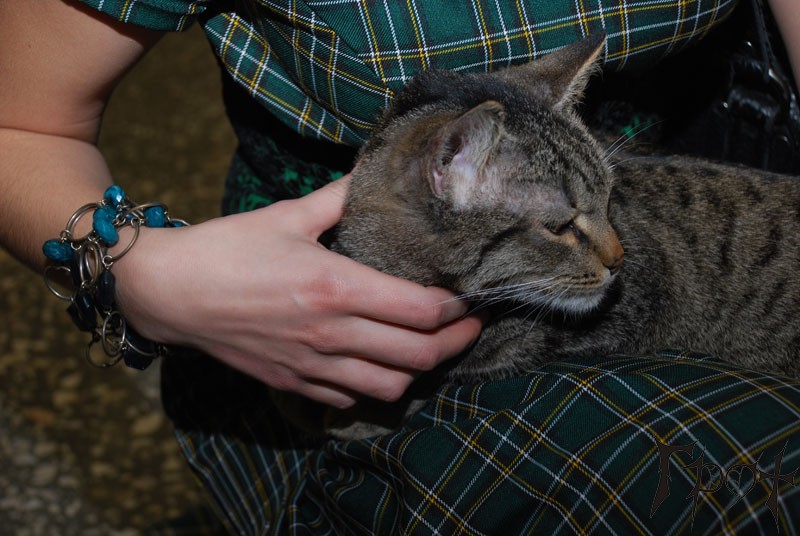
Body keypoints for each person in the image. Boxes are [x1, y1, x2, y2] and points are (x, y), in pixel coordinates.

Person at [3, 1, 800, 534]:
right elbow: (19, 127)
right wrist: (144, 278)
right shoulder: (459, 183)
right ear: (451, 169)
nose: (612, 258)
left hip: (666, 165)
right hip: (289, 310)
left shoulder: (560, 202)